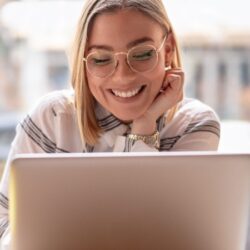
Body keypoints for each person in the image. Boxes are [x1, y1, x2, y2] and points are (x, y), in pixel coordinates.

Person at [0, 0, 220, 248]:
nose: (123, 76)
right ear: (83, 61)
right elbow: (3, 223)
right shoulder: (53, 118)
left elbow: (156, 236)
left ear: (167, 50)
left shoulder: (194, 125)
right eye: (101, 59)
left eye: (142, 54)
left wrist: (144, 127)